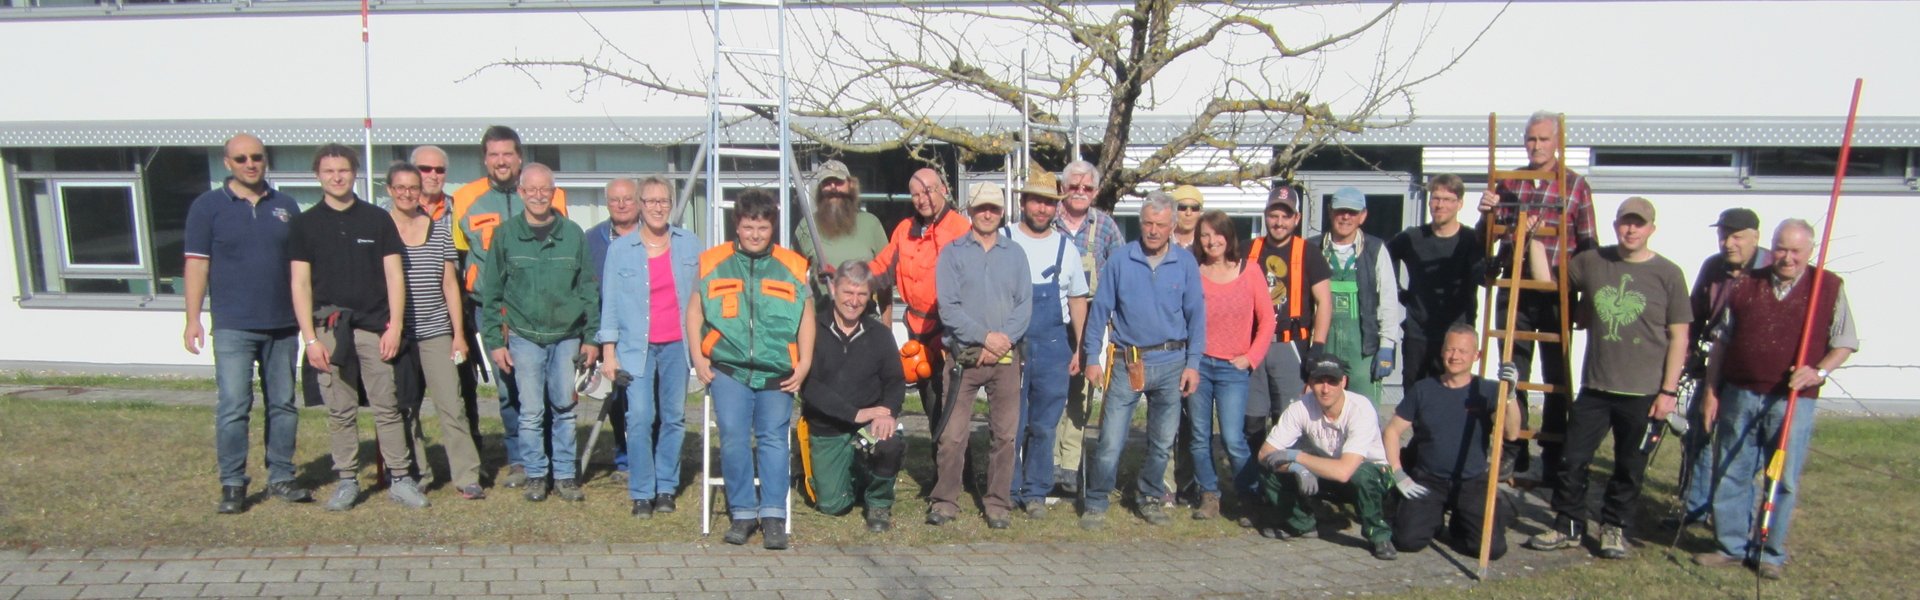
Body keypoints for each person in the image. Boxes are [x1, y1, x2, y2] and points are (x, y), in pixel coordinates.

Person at [1525, 197, 1690, 560]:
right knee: (1571, 459)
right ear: (1616, 225)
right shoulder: (1593, 262)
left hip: (1644, 391)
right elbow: (1547, 284)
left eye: (1639, 224)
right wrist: (1532, 239)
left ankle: (1614, 527)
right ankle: (1567, 524)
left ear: (1651, 229)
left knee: (1629, 468)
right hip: (1596, 387)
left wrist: (1668, 391)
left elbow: (1679, 336)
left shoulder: (1668, 274)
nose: (1631, 230)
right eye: (1625, 223)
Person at [1696, 219, 1856, 580]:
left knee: (1782, 479)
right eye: (1781, 249)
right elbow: (1721, 341)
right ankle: (1730, 545)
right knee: (1731, 470)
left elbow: (1844, 341)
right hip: (1740, 391)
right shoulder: (1745, 284)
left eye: (1796, 251)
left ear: (1810, 251)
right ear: (1772, 247)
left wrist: (1819, 372)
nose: (1787, 258)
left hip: (1792, 400)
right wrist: (1711, 391)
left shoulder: (1826, 287)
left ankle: (1770, 551)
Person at [183, 133, 311, 514]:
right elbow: (196, 264)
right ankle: (233, 484)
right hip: (234, 324)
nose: (250, 164)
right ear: (227, 163)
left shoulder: (285, 206)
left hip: (283, 324)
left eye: (257, 157)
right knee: (235, 405)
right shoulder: (208, 207)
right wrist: (192, 319)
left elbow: (300, 268)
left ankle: (282, 476)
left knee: (284, 405)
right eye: (241, 159)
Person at [288, 143, 419, 511]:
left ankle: (400, 478)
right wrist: (310, 338)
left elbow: (395, 275)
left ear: (354, 172)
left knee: (387, 406)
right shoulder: (305, 224)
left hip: (375, 327)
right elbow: (299, 283)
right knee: (340, 409)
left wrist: (394, 327)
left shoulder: (377, 220)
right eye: (329, 171)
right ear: (318, 175)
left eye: (343, 170)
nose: (337, 177)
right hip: (329, 328)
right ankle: (346, 479)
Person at [1475, 110, 1598, 483]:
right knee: (1513, 371)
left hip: (1556, 292)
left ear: (1558, 142)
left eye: (1544, 139)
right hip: (1515, 288)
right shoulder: (1511, 183)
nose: (1537, 146)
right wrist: (1486, 214)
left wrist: (1584, 301)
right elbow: (1486, 237)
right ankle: (1515, 448)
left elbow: (1590, 248)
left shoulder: (1575, 185)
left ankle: (1555, 452)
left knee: (1557, 372)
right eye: (1531, 139)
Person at [687, 188, 814, 550]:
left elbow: (807, 318)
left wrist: (804, 364)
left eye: (762, 226)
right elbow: (694, 310)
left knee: (774, 440)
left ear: (772, 226)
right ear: (736, 226)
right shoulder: (713, 262)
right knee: (734, 438)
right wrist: (697, 356)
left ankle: (774, 516)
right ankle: (742, 513)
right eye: (747, 226)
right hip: (729, 369)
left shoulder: (792, 265)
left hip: (778, 371)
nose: (755, 234)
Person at [451, 125, 570, 489]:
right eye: (493, 155)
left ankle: (551, 454)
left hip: (540, 308)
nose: (501, 161)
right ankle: (520, 458)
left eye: (507, 154)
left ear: (519, 157)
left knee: (549, 384)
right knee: (508, 386)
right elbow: (458, 259)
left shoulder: (549, 193)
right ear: (485, 159)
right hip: (490, 308)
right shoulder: (465, 198)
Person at [1078, 192, 1205, 530]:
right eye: (1147, 223)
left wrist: (1193, 363)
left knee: (1162, 441)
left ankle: (1149, 496)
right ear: (1140, 223)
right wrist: (1092, 357)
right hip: (1126, 361)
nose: (1153, 230)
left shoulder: (1186, 263)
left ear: (1173, 227)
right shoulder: (1120, 260)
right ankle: (1096, 500)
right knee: (1110, 439)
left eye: (1160, 225)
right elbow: (1099, 313)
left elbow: (1197, 318)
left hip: (1172, 361)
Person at [477, 163, 600, 504]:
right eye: (530, 189)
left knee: (564, 408)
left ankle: (564, 476)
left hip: (566, 336)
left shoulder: (573, 234)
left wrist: (592, 337)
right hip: (524, 336)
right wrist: (494, 342)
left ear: (553, 191)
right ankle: (535, 474)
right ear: (520, 193)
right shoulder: (505, 235)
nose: (537, 196)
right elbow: (492, 294)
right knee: (531, 411)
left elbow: (589, 288)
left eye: (544, 189)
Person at [929, 181, 1032, 529]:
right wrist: (986, 338)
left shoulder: (1015, 254)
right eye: (981, 208)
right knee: (953, 435)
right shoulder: (953, 253)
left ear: (1003, 212)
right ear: (969, 211)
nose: (987, 213)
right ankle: (945, 501)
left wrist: (1002, 342)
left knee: (1005, 434)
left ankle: (998, 503)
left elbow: (1024, 305)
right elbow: (949, 309)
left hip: (1006, 359)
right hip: (963, 357)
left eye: (994, 208)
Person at [598, 176, 701, 518]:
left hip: (676, 345)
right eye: (650, 201)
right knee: (640, 417)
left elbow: (702, 300)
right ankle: (642, 491)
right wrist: (608, 353)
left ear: (671, 205)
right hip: (634, 348)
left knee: (673, 417)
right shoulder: (620, 250)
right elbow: (609, 303)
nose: (657, 208)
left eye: (663, 201)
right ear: (640, 205)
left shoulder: (690, 245)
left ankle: (666, 488)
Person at [386, 162, 485, 500]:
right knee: (405, 406)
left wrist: (458, 333)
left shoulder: (439, 228)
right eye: (400, 187)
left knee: (451, 403)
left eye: (412, 187)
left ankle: (466, 474)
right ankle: (416, 472)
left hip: (437, 330)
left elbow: (449, 284)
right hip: (397, 333)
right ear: (389, 190)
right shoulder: (380, 227)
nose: (407, 193)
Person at [1384, 324, 1521, 560]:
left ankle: (1462, 521)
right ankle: (1431, 518)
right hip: (1428, 479)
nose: (1455, 356)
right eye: (1450, 350)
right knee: (1407, 540)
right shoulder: (1423, 389)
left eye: (1462, 351)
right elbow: (1392, 432)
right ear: (1442, 351)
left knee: (1492, 550)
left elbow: (1512, 433)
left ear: (1476, 356)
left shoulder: (1488, 390)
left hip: (1471, 481)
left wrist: (1510, 396)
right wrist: (1398, 473)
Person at [1671, 207, 1769, 527]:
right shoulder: (1713, 268)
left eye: (1736, 236)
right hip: (1714, 365)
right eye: (1723, 235)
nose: (1728, 243)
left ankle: (1735, 517)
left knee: (1741, 447)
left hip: (1753, 374)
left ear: (1755, 237)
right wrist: (1686, 356)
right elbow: (1695, 313)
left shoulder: (1770, 269)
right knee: (1699, 434)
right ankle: (1696, 507)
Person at [1003, 172, 1090, 519]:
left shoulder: (1065, 247)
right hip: (1011, 342)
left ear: (1056, 207)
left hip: (1054, 343)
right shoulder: (1004, 238)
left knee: (1043, 424)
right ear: (1023, 203)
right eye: (1036, 201)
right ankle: (1007, 488)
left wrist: (1082, 347)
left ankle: (1036, 491)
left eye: (1048, 203)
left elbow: (1078, 299)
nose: (1042, 208)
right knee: (1011, 421)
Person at [1244, 182, 1332, 523]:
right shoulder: (1249, 249)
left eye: (1285, 216)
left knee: (1289, 421)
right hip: (1254, 345)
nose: (1278, 222)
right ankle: (1258, 490)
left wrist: (1318, 349)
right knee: (1251, 423)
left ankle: (1293, 493)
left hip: (1291, 345)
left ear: (1296, 218)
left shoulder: (1308, 252)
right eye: (1272, 214)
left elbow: (1324, 302)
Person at [1254, 354, 1397, 560]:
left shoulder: (1360, 408)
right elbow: (1265, 454)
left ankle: (1379, 535)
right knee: (1269, 469)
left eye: (1332, 381)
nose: (1325, 388)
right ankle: (1302, 524)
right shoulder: (1300, 407)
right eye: (1319, 381)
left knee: (1361, 475)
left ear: (1344, 382)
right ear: (1310, 382)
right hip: (1328, 469)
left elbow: (1344, 471)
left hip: (1369, 472)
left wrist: (1298, 458)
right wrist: (1295, 468)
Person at [870, 168, 970, 460]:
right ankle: (941, 465)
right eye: (915, 194)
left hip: (950, 331)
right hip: (917, 330)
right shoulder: (904, 230)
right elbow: (881, 267)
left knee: (953, 403)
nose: (922, 199)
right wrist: (850, 279)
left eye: (928, 190)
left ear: (942, 189)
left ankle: (957, 470)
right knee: (932, 402)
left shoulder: (960, 229)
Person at [801, 260, 907, 533]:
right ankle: (856, 476)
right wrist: (855, 413)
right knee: (833, 506)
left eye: (861, 294)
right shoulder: (812, 330)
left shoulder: (881, 335)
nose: (854, 301)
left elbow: (895, 381)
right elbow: (809, 386)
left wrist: (888, 411)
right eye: (848, 292)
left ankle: (879, 501)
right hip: (828, 428)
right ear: (834, 289)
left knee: (889, 442)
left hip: (869, 425)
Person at [1189, 209, 1274, 520]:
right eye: (1205, 235)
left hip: (1232, 369)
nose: (1212, 241)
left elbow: (1267, 322)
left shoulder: (1250, 271)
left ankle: (1250, 494)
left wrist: (1250, 358)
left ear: (1229, 236)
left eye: (1217, 233)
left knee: (1233, 438)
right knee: (1199, 437)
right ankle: (1209, 495)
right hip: (1199, 365)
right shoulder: (1193, 271)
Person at [1051, 160, 1127, 495]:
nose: (1080, 193)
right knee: (1052, 390)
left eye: (1087, 188)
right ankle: (1050, 460)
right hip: (1051, 317)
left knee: (1082, 393)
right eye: (1074, 186)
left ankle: (1070, 465)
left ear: (1095, 192)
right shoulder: (1046, 221)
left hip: (1092, 316)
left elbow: (1119, 274)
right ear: (1063, 189)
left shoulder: (1107, 227)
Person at [1309, 187, 1403, 403]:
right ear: (1330, 212)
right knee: (1322, 409)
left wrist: (1387, 346)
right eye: (1340, 211)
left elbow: (1388, 300)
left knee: (1365, 411)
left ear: (1363, 216)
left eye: (1352, 212)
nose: (1345, 217)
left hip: (1364, 347)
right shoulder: (1313, 248)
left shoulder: (1375, 249)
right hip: (1324, 342)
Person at [1388, 174, 1485, 381]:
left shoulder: (1470, 240)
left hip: (1457, 335)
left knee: (1451, 394)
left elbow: (1483, 277)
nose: (1440, 205)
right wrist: (1398, 292)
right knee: (1415, 394)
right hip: (1418, 334)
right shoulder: (1412, 237)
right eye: (1435, 198)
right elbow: (1383, 260)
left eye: (1448, 199)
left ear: (1459, 204)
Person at [585, 178, 644, 488]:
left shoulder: (653, 235)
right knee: (618, 401)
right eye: (614, 200)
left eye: (628, 199)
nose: (621, 205)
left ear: (638, 202)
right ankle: (624, 458)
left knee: (647, 402)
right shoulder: (592, 240)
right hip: (609, 334)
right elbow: (587, 290)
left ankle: (650, 457)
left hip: (645, 332)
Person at [794, 160, 887, 282]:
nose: (833, 188)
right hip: (821, 301)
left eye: (838, 182)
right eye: (827, 182)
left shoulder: (871, 224)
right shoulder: (807, 226)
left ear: (850, 185)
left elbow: (885, 274)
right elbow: (793, 275)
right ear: (820, 189)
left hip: (861, 301)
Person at [1169, 185, 1204, 250]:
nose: (1188, 213)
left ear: (1200, 212)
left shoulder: (1205, 245)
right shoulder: (1163, 241)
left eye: (1194, 208)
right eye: (1182, 208)